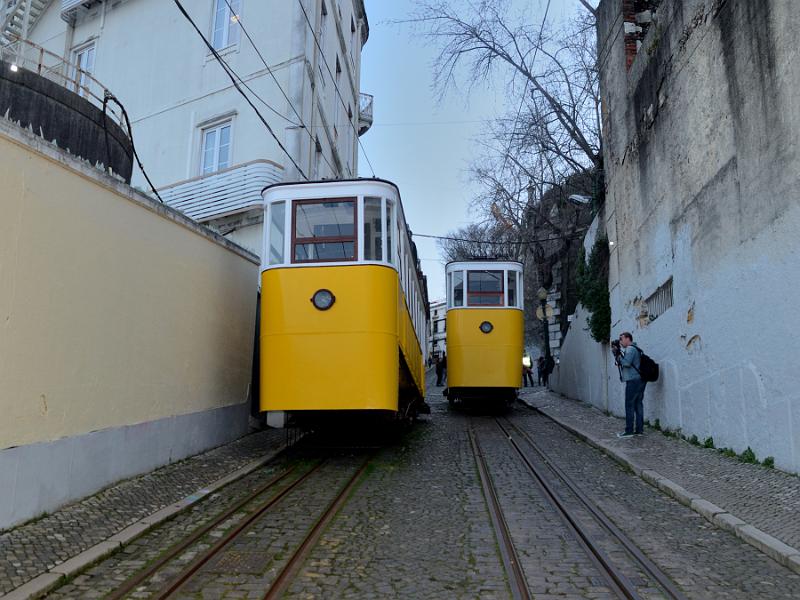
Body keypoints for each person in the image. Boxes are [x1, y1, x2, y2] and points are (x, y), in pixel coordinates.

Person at [613, 332, 646, 437]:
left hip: (633, 381)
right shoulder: (635, 348)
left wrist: (617, 355)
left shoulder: (630, 349)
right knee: (638, 404)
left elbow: (626, 363)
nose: (620, 341)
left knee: (629, 405)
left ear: (628, 339)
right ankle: (639, 430)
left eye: (621, 339)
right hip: (639, 379)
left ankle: (629, 431)